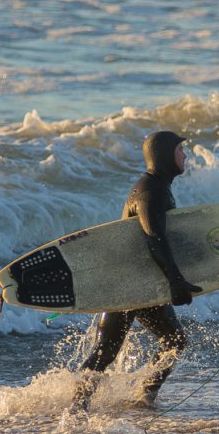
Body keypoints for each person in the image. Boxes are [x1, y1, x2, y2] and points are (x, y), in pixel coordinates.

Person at [70, 130, 202, 413]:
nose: (185, 155)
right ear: (165, 155)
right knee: (112, 349)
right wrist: (176, 281)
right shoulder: (149, 192)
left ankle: (137, 399)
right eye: (181, 150)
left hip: (138, 280)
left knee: (167, 342)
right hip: (129, 283)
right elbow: (153, 237)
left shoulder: (156, 187)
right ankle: (78, 407)